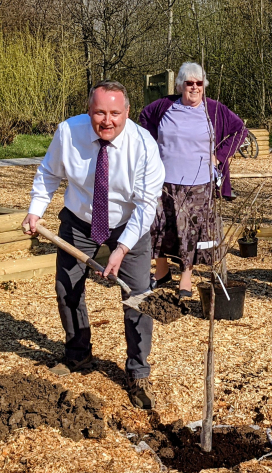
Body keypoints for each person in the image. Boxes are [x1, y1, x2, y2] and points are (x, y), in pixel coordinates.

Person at [22, 81, 165, 409]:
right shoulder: (68, 133)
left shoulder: (143, 144)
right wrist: (35, 211)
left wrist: (122, 248)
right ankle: (78, 355)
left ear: (127, 113)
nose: (107, 120)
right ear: (89, 111)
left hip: (131, 223)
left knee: (138, 295)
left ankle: (138, 372)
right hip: (79, 221)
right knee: (67, 289)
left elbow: (146, 206)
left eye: (115, 113)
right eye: (99, 112)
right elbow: (47, 174)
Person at [139, 62, 247, 297]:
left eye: (199, 83)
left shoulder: (215, 109)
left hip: (198, 183)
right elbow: (144, 119)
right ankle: (161, 270)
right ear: (180, 85)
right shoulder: (164, 107)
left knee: (190, 232)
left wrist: (219, 156)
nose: (195, 87)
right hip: (163, 182)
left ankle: (185, 277)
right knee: (157, 226)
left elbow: (240, 130)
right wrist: (150, 149)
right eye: (189, 83)